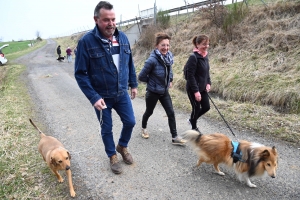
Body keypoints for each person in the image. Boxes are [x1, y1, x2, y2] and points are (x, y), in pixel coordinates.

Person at [74, 1, 138, 174]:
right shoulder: (86, 42)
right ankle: (112, 156)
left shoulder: (123, 38)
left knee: (131, 121)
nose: (111, 23)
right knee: (106, 128)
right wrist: (94, 97)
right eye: (106, 20)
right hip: (101, 96)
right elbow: (80, 73)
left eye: (113, 19)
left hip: (121, 92)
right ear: (96, 19)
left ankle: (122, 146)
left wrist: (133, 83)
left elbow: (129, 63)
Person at [138, 32, 186, 146]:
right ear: (157, 46)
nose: (166, 48)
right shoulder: (152, 60)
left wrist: (170, 80)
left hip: (164, 92)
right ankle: (143, 128)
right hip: (153, 92)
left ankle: (174, 137)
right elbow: (141, 76)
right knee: (149, 112)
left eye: (167, 45)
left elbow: (170, 71)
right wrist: (152, 83)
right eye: (163, 45)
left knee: (171, 113)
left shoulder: (168, 57)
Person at [185, 34, 211, 133]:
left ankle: (192, 119)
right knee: (196, 108)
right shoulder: (193, 57)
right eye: (204, 44)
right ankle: (194, 128)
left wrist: (208, 83)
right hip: (193, 88)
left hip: (203, 88)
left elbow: (206, 72)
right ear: (197, 44)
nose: (206, 46)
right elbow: (190, 76)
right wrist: (196, 91)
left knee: (206, 107)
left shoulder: (205, 56)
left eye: (208, 44)